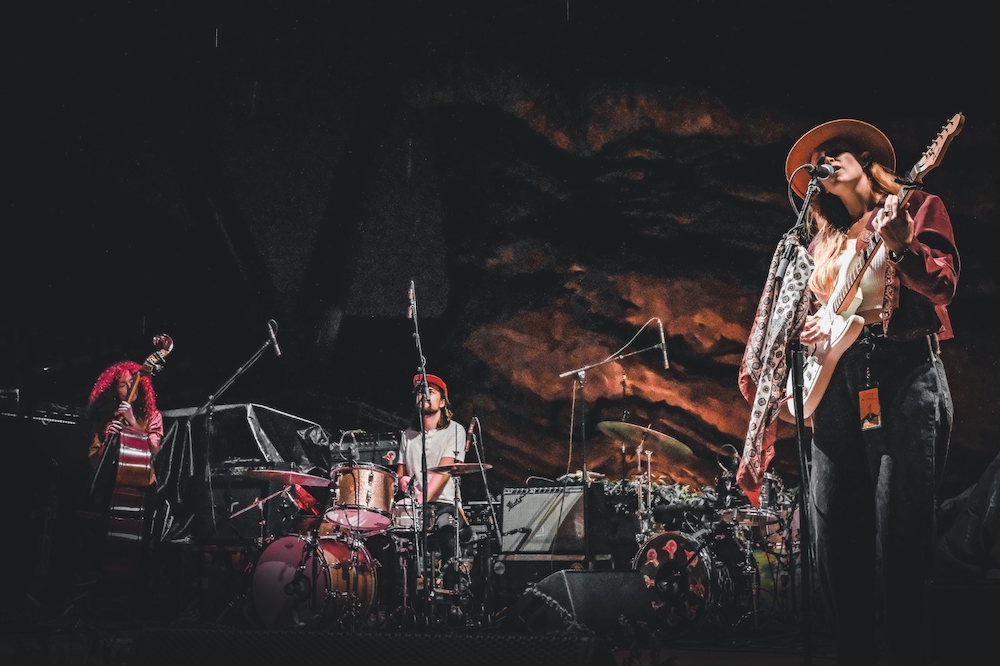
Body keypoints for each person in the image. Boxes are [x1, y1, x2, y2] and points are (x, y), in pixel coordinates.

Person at [787, 119, 959, 665]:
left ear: (864, 158)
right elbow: (825, 315)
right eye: (818, 161)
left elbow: (943, 286)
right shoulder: (822, 242)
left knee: (899, 544)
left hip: (904, 377)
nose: (825, 162)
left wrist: (904, 247)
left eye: (835, 152)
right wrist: (813, 327)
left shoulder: (916, 205)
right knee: (835, 541)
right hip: (839, 388)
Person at [81, 360, 165, 596]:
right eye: (122, 384)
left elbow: (153, 451)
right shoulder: (106, 419)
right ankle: (104, 593)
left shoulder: (152, 417)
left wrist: (133, 422)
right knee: (104, 544)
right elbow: (93, 461)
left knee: (140, 547)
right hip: (112, 486)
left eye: (133, 383)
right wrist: (105, 442)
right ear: (114, 390)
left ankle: (135, 596)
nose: (129, 389)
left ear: (142, 387)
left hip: (143, 487)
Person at [397, 373, 474, 588]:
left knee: (447, 529)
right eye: (420, 392)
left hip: (443, 504)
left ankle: (452, 593)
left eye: (430, 392)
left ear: (442, 402)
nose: (423, 395)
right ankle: (403, 595)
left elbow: (444, 471)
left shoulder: (455, 430)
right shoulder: (408, 435)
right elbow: (401, 469)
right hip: (414, 505)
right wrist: (402, 479)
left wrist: (422, 499)